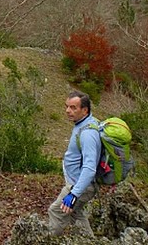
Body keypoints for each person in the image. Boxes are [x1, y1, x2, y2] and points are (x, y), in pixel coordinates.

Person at [48, 90, 102, 236]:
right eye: (67, 106)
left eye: (73, 108)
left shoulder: (87, 134)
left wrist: (74, 194)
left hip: (80, 185)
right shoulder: (86, 123)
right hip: (81, 184)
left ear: (85, 110)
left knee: (56, 211)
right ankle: (88, 240)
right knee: (75, 213)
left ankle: (49, 240)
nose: (67, 111)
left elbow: (89, 168)